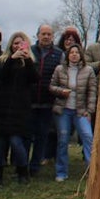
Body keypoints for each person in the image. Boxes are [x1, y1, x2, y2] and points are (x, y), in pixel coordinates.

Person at [0, 32, 38, 185]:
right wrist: (12, 59)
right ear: (11, 45)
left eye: (21, 44)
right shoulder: (3, 61)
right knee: (0, 143)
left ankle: (23, 173)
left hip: (20, 109)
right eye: (15, 43)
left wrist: (27, 59)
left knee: (17, 142)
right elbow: (0, 77)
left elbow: (34, 79)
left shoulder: (30, 62)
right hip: (2, 108)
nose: (18, 46)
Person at [51, 44, 98, 180]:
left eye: (77, 52)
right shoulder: (60, 69)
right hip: (63, 110)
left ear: (80, 55)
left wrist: (89, 111)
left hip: (81, 111)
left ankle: (92, 171)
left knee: (88, 137)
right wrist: (61, 91)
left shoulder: (88, 70)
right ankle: (61, 172)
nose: (74, 54)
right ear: (67, 54)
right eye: (71, 52)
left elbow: (92, 91)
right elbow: (52, 86)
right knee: (63, 140)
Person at [28, 24, 63, 178]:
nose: (46, 36)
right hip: (29, 100)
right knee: (26, 135)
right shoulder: (29, 51)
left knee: (42, 136)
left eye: (49, 34)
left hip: (47, 101)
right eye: (43, 34)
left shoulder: (58, 54)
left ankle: (35, 166)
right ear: (38, 35)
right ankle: (22, 164)